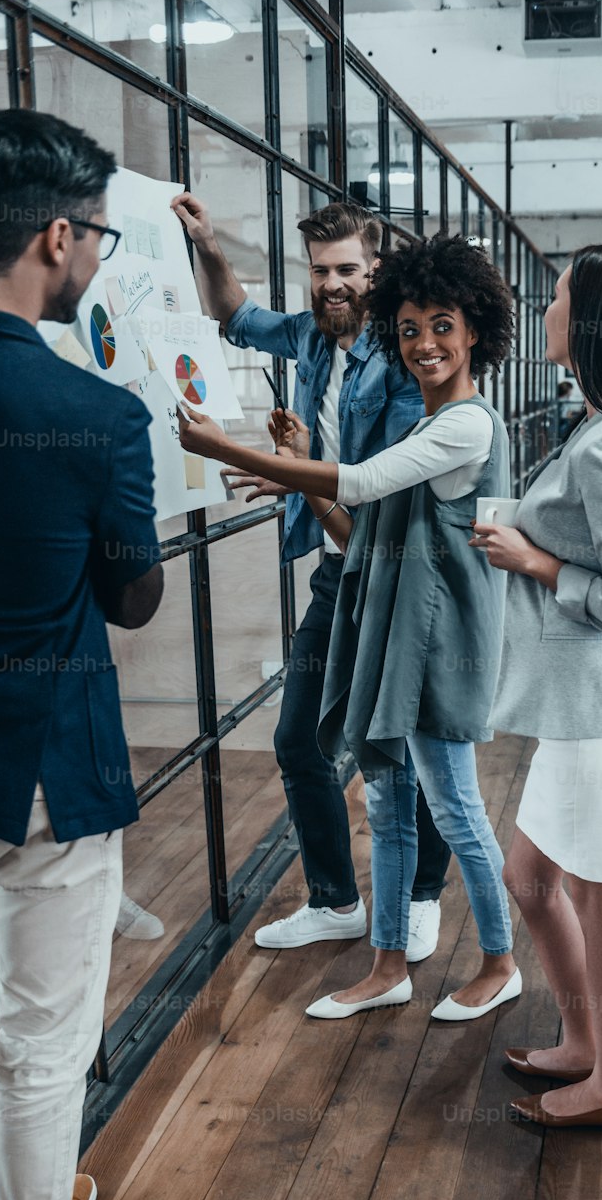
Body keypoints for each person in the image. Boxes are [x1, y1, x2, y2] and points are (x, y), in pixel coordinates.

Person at [0, 108, 183, 1200]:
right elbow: (133, 595)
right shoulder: (87, 413)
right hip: (37, 769)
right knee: (42, 1042)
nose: (95, 251)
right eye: (94, 230)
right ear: (55, 233)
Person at [178, 234, 521, 1019]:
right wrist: (296, 461)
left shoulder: (465, 428)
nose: (424, 343)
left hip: (435, 654)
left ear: (474, 330)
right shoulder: (426, 428)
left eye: (441, 325)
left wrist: (232, 451)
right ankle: (387, 964)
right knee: (389, 807)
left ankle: (501, 962)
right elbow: (356, 528)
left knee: (458, 810)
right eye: (407, 329)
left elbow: (361, 481)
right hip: (393, 644)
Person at [170, 193, 451, 958]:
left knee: (408, 747)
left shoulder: (401, 362)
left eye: (347, 269)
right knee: (299, 740)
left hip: (393, 576)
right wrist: (208, 242)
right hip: (338, 577)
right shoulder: (311, 338)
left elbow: (373, 508)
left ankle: (424, 893)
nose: (332, 283)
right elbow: (233, 315)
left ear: (376, 270)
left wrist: (296, 475)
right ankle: (336, 900)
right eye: (320, 270)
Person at [471, 243, 602, 1128]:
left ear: (589, 323)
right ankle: (585, 1046)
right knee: (529, 878)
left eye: (555, 297)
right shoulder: (599, 429)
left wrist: (536, 560)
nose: (544, 309)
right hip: (581, 707)